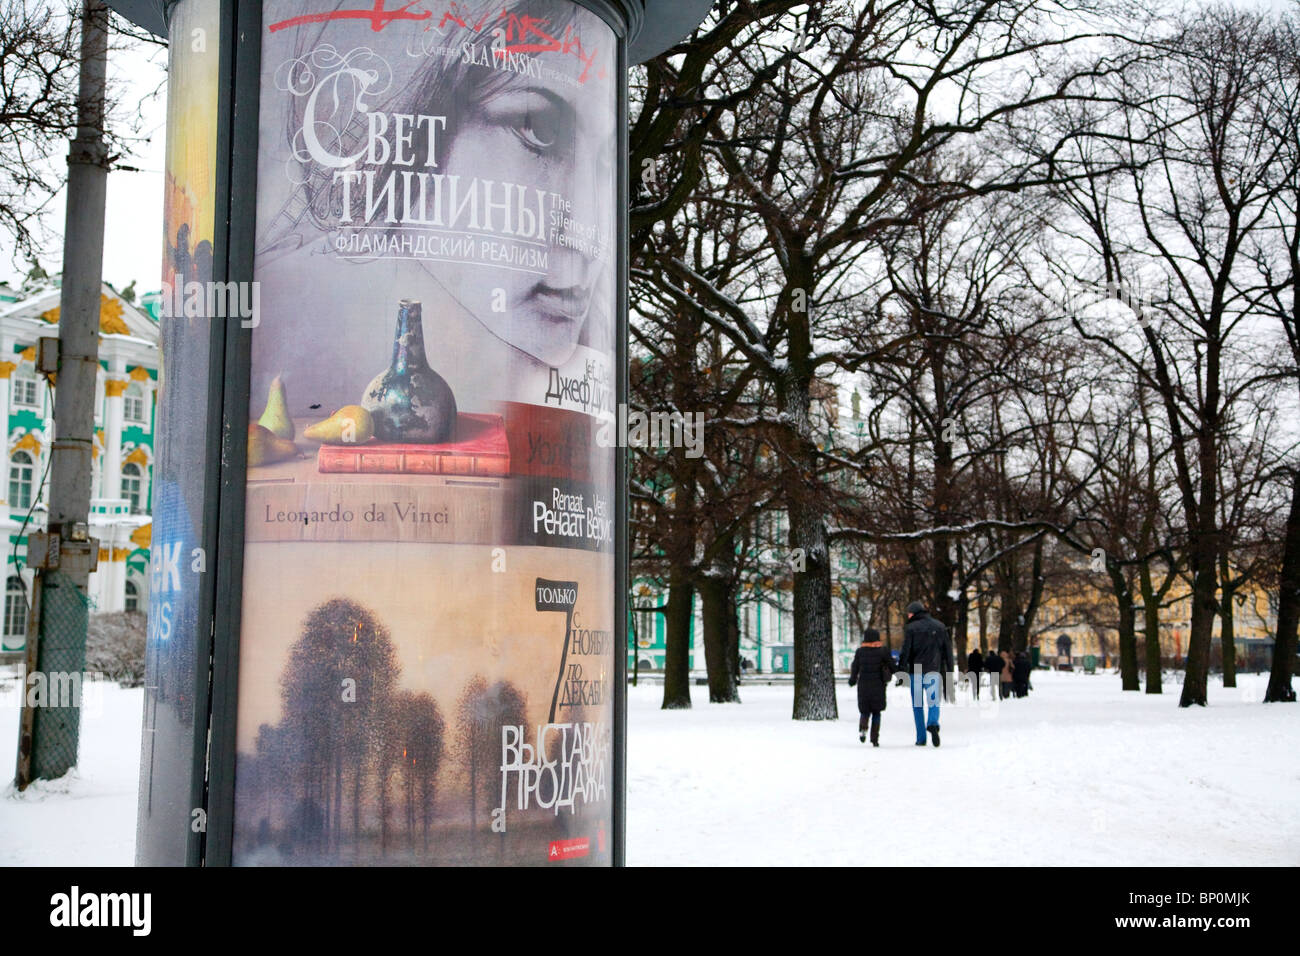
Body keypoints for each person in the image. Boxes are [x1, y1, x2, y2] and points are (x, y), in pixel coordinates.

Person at [898, 601, 954, 747]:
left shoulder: (911, 628)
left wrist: (901, 668)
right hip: (934, 670)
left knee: (918, 705)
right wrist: (950, 669)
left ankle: (921, 738)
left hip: (915, 672)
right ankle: (933, 723)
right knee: (934, 701)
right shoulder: (940, 626)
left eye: (909, 613)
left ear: (914, 613)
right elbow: (947, 650)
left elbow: (905, 651)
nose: (908, 615)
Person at [849, 628, 896, 746]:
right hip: (878, 686)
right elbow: (892, 665)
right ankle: (875, 739)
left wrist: (852, 680)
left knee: (865, 711)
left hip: (864, 685)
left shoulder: (860, 652)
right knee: (876, 712)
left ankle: (863, 728)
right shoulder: (883, 651)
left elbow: (855, 667)